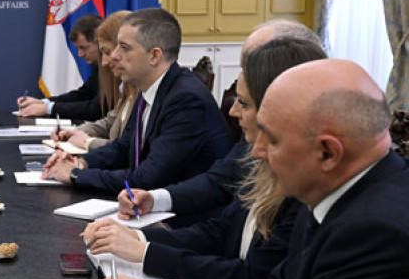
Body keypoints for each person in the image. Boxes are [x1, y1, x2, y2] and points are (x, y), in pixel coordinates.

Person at [97, 59, 409, 279]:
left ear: (327, 153)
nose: (257, 151)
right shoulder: (335, 191)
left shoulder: (376, 234)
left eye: (271, 139)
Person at [83, 37, 327, 279]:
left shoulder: (302, 189)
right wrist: (138, 239)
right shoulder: (257, 154)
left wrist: (149, 261)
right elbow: (222, 228)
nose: (232, 111)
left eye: (243, 103)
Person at [115, 20, 322, 222]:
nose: (243, 77)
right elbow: (222, 180)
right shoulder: (254, 133)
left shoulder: (307, 180)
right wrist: (154, 201)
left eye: (254, 65)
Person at [43, 8, 232, 197]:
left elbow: (148, 178)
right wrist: (82, 162)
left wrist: (76, 175)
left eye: (124, 48)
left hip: (185, 211)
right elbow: (124, 148)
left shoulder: (186, 100)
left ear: (154, 56)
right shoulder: (150, 89)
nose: (113, 56)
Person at [51, 10, 137, 150]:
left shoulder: (163, 96)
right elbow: (111, 122)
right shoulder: (129, 86)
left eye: (107, 52)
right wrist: (77, 131)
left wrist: (88, 143)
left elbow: (132, 151)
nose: (104, 62)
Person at [17, 15, 105, 121]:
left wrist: (49, 109)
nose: (80, 54)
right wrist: (43, 103)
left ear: (100, 43)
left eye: (84, 48)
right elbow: (83, 94)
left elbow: (95, 109)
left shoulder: (114, 68)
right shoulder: (100, 66)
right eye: (78, 48)